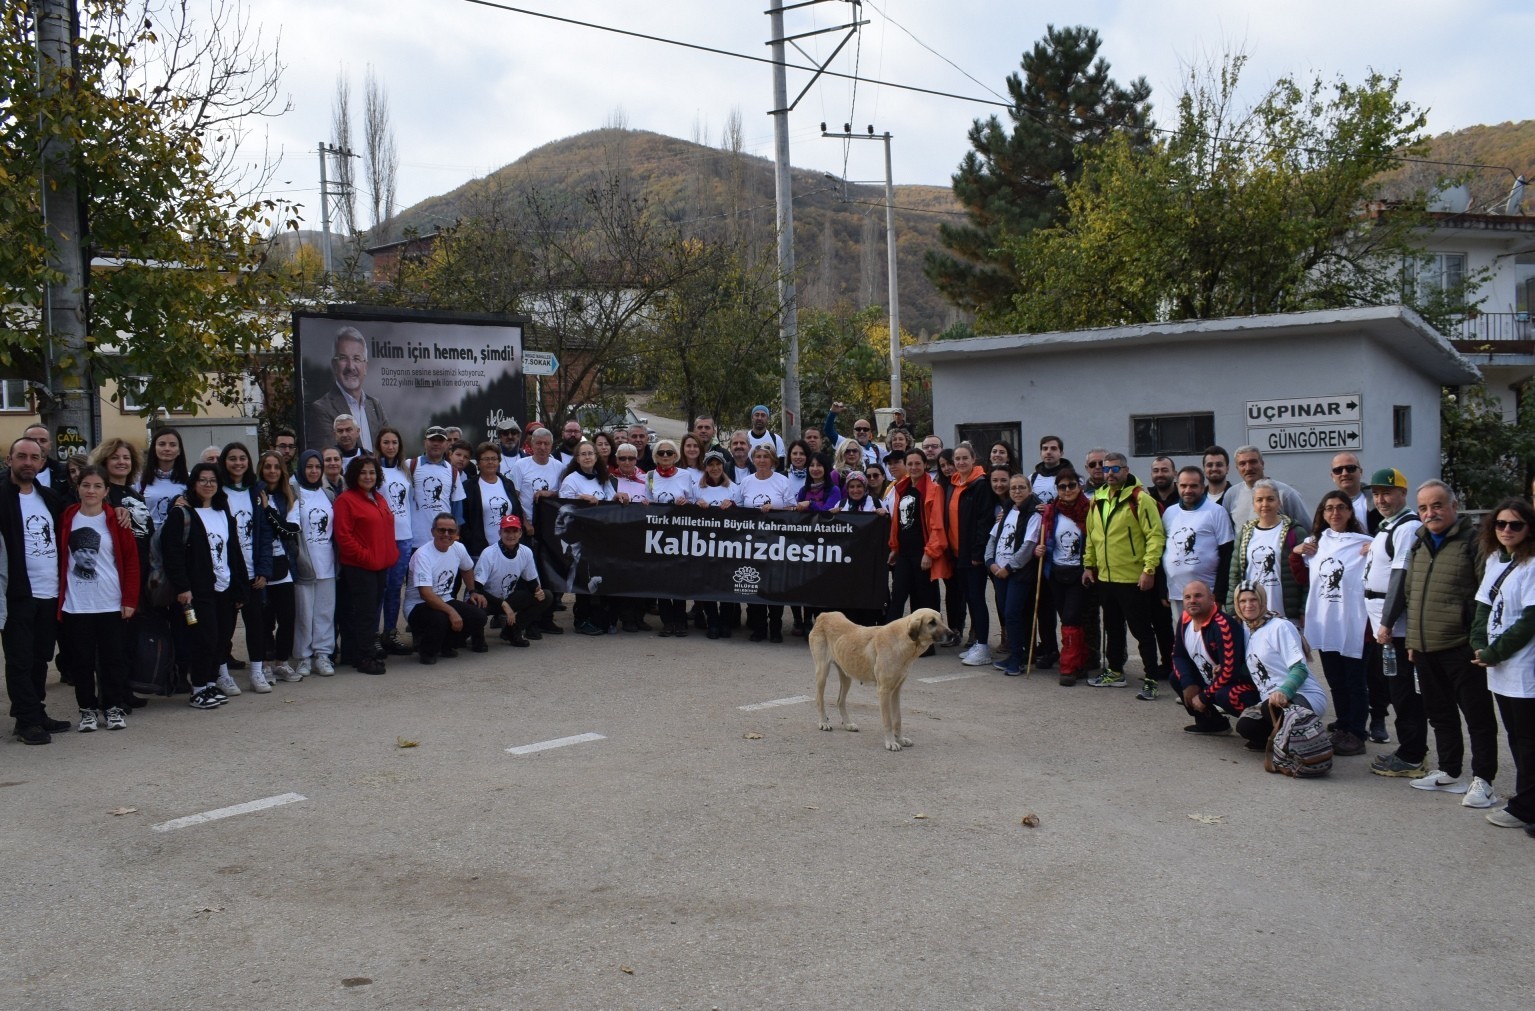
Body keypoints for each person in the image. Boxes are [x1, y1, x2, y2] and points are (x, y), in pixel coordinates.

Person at [1401, 480, 1500, 809]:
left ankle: (1483, 780)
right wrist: (1414, 640)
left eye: (1438, 505)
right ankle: (1449, 770)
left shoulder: (1475, 542)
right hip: (1426, 647)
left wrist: (1479, 641)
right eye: (1425, 508)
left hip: (1461, 646)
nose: (1431, 513)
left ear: (1454, 507)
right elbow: (1411, 595)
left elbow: (1488, 595)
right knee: (1440, 714)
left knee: (1478, 716)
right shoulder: (1419, 544)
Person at [162, 462, 250, 710]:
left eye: (213, 480)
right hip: (197, 590)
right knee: (204, 638)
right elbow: (173, 554)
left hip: (225, 587)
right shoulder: (182, 515)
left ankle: (210, 682)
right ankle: (198, 687)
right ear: (193, 484)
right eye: (203, 480)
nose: (208, 484)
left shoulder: (224, 513)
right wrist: (182, 587)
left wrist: (240, 587)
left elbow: (235, 553)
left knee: (222, 638)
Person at [58, 466, 139, 731]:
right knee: (80, 661)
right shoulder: (67, 517)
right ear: (77, 488)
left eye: (97, 486)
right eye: (86, 485)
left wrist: (129, 599)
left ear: (106, 490)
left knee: (113, 659)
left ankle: (113, 707)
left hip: (110, 601)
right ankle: (87, 710)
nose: (91, 491)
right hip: (76, 604)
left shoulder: (117, 520)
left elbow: (130, 562)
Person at [1470, 499, 1535, 831]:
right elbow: (1482, 606)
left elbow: (1530, 620)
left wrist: (1496, 651)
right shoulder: (1496, 559)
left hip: (1523, 667)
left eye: (1516, 525)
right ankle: (1526, 800)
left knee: (1527, 739)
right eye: (1501, 524)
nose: (1507, 530)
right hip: (1498, 667)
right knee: (1515, 736)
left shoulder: (1532, 564)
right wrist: (1480, 644)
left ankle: (1526, 806)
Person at [1081, 452, 1166, 697]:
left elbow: (1155, 536)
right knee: (1113, 628)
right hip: (1106, 578)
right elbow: (1092, 536)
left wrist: (1149, 569)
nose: (1109, 473)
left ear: (1126, 470)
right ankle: (1116, 671)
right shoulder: (1097, 499)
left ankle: (1151, 677)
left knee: (1141, 630)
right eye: (1106, 469)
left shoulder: (1140, 499)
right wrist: (1089, 565)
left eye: (1115, 469)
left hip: (1132, 578)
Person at [2, 437, 69, 743]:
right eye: (22, 456)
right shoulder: (2, 496)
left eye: (34, 457)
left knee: (40, 657)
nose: (28, 462)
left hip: (49, 591)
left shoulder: (49, 497)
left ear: (42, 463)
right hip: (16, 593)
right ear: (9, 460)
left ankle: (35, 711)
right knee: (19, 659)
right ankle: (27, 720)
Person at [1299, 490, 1375, 756]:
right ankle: (1343, 724)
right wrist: (1296, 552)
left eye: (1341, 507)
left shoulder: (1366, 543)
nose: (1335, 513)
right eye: (1329, 508)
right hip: (1326, 622)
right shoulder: (1315, 544)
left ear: (1350, 512)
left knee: (1355, 680)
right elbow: (1301, 576)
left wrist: (1375, 550)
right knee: (1336, 679)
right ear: (1322, 513)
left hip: (1354, 624)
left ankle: (1357, 732)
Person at [1366, 467, 1427, 775]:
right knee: (1395, 689)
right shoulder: (1389, 526)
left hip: (1396, 629)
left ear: (1404, 493)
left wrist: (1387, 623)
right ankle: (1409, 749)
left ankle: (1412, 755)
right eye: (1377, 494)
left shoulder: (1406, 528)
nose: (1381, 499)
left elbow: (1400, 578)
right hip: (1384, 626)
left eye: (1387, 492)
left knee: (1404, 693)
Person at [1231, 580, 1330, 750]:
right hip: (1270, 703)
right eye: (1243, 601)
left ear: (1262, 601)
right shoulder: (1247, 630)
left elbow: (1300, 669)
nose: (1248, 605)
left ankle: (1310, 740)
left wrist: (1284, 691)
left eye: (1253, 600)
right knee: (1246, 726)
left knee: (1278, 711)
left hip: (1302, 695)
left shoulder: (1280, 626)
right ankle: (1286, 740)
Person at [218, 443, 274, 694]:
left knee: (257, 626)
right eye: (232, 459)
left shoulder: (256, 491)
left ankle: (257, 671)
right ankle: (221, 674)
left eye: (242, 458)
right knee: (224, 627)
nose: (238, 463)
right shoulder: (217, 491)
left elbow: (264, 535)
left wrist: (263, 570)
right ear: (224, 462)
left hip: (253, 572)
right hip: (227, 573)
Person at [1169, 580, 1257, 735]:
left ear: (1212, 599)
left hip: (1242, 683)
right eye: (1187, 597)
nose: (1192, 601)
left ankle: (1262, 730)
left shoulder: (1223, 625)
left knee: (1225, 695)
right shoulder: (1185, 619)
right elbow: (1178, 655)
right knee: (1177, 677)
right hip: (1213, 680)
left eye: (1198, 596)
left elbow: (1229, 673)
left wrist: (1204, 697)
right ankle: (1212, 724)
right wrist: (1188, 684)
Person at [404, 514, 487, 663]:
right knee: (440, 618)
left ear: (456, 533)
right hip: (417, 605)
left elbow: (467, 568)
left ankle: (445, 645)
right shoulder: (422, 555)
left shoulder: (458, 548)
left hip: (446, 599)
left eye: (451, 531)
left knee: (479, 616)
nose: (447, 535)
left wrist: (472, 591)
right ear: (433, 531)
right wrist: (452, 611)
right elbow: (425, 594)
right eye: (442, 530)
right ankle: (426, 651)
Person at [559, 441, 622, 636]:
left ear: (596, 457)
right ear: (577, 459)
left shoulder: (603, 479)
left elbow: (611, 501)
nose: (587, 457)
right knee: (583, 580)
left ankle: (602, 619)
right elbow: (562, 506)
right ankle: (581, 620)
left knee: (601, 579)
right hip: (581, 538)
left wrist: (620, 497)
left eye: (590, 453)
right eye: (583, 454)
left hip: (602, 538)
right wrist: (579, 500)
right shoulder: (571, 480)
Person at [1036, 468, 1091, 686]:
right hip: (1056, 572)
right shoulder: (1052, 511)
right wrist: (1038, 550)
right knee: (1067, 617)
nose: (1067, 490)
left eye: (1071, 486)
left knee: (1070, 618)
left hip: (1079, 573)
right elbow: (1045, 538)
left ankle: (1068, 667)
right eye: (1062, 486)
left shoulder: (1089, 510)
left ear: (1079, 486)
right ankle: (1080, 661)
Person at [736, 444, 796, 642]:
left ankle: (776, 628)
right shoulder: (745, 482)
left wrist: (776, 510)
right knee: (754, 584)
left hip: (776, 543)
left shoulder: (782, 481)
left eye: (766, 457)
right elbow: (737, 508)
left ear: (773, 460)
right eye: (758, 456)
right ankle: (759, 628)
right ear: (753, 459)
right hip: (751, 543)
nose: (762, 460)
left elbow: (792, 508)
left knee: (774, 586)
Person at [1227, 479, 1308, 622]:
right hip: (1252, 612)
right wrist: (1233, 610)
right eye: (1259, 500)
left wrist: (1303, 609)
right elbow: (1235, 574)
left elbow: (1307, 575)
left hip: (1286, 612)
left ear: (1279, 503)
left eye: (1270, 499)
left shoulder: (1294, 532)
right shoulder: (1245, 534)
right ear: (1253, 505)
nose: (1265, 504)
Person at [1161, 466, 1235, 624]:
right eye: (1183, 486)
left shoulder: (1216, 512)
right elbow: (1163, 550)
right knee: (1184, 638)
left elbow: (1227, 554)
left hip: (1208, 594)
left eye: (1193, 486)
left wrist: (1220, 594)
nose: (1188, 490)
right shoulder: (1169, 513)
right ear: (1177, 486)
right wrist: (1163, 589)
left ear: (1202, 487)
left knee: (1208, 639)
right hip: (1176, 593)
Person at [945, 443, 996, 667]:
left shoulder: (981, 485)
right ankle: (977, 644)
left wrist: (978, 552)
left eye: (965, 458)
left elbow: (984, 521)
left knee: (976, 599)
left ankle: (983, 645)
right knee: (969, 598)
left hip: (973, 555)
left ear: (974, 459)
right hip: (958, 554)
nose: (961, 462)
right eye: (957, 459)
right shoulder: (954, 483)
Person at [986, 473, 1040, 676]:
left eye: (1021, 487)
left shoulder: (1034, 514)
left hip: (1017, 574)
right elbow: (993, 538)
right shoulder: (1007, 510)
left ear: (1029, 490)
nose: (1017, 491)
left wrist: (1008, 568)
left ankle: (1018, 656)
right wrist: (990, 562)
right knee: (1008, 615)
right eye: (1014, 488)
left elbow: (1028, 546)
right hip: (998, 571)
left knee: (1013, 614)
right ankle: (1016, 653)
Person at [887, 448, 947, 627]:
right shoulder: (902, 488)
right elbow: (898, 521)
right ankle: (890, 640)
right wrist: (895, 548)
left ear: (925, 465)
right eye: (910, 464)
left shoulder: (934, 489)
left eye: (917, 464)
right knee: (897, 595)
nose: (913, 467)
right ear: (905, 466)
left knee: (925, 599)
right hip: (904, 552)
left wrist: (929, 552)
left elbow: (937, 524)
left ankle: (928, 643)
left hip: (923, 552)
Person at [291, 450, 338, 678]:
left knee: (324, 612)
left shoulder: (328, 495)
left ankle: (323, 654)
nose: (313, 471)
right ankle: (303, 657)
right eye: (309, 466)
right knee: (304, 613)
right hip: (304, 564)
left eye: (317, 467)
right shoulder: (294, 493)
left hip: (327, 562)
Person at [256, 451, 302, 683]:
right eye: (267, 466)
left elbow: (290, 530)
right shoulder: (252, 495)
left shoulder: (288, 496)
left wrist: (268, 511)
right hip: (259, 565)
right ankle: (263, 664)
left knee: (287, 617)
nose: (272, 471)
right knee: (264, 618)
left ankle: (281, 663)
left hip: (284, 563)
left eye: (276, 467)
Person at [472, 515, 552, 646]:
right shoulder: (489, 553)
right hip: (487, 600)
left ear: (520, 533)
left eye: (515, 531)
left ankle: (512, 631)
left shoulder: (526, 552)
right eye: (506, 531)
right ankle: (477, 636)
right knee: (476, 606)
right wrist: (503, 604)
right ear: (500, 533)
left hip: (507, 597)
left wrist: (538, 591)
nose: (511, 535)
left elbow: (531, 581)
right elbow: (477, 589)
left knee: (546, 596)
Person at [305, 325, 387, 452]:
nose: (351, 366)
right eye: (343, 358)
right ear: (334, 365)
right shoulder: (322, 409)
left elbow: (387, 448)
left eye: (356, 358)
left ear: (365, 366)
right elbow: (329, 457)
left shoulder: (375, 406)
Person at [374, 428, 415, 657]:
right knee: (380, 588)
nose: (390, 446)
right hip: (382, 537)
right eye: (386, 442)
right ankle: (373, 635)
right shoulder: (374, 470)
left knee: (394, 590)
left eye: (394, 442)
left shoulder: (405, 470)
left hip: (404, 537)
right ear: (379, 445)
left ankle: (390, 632)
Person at [693, 450, 737, 639]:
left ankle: (725, 622)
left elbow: (745, 514)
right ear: (705, 467)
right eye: (711, 464)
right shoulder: (697, 488)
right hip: (704, 546)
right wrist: (696, 505)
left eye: (718, 464)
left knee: (726, 584)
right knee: (708, 584)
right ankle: (712, 621)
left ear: (723, 466)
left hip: (728, 545)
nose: (715, 468)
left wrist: (734, 505)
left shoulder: (734, 488)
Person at [461, 443, 522, 562]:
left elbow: (517, 512)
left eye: (494, 459)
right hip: (479, 551)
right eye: (486, 459)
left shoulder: (508, 484)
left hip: (508, 548)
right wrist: (470, 540)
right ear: (478, 463)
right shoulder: (469, 487)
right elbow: (465, 520)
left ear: (499, 462)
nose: (490, 462)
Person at [1225, 445, 1308, 529]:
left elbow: (1307, 530)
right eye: (1242, 464)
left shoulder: (1285, 494)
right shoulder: (1231, 495)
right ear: (1237, 468)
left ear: (1262, 464)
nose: (1248, 468)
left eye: (1253, 462)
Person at [408, 426, 466, 549]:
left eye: (440, 440)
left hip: (443, 542)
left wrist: (454, 540)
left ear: (446, 444)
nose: (436, 443)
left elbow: (457, 511)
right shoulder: (410, 465)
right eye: (432, 440)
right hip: (415, 541)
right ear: (425, 443)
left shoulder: (452, 471)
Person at [139, 427, 189, 530]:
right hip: (149, 540)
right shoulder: (139, 480)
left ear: (179, 450)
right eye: (162, 444)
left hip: (179, 540)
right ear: (154, 448)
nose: (167, 448)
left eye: (173, 445)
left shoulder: (190, 479)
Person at [1330, 451, 1374, 530]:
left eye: (1350, 468)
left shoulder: (1378, 502)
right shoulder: (1326, 506)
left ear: (1360, 472)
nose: (1344, 473)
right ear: (1332, 476)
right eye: (1338, 470)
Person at [1030, 436, 1071, 504]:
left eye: (1053, 448)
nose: (1048, 452)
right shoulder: (1031, 478)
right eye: (1045, 449)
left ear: (1061, 453)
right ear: (1040, 453)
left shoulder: (1071, 477)